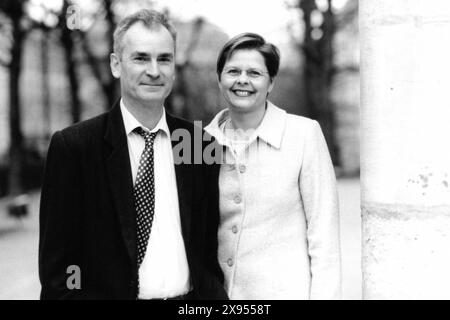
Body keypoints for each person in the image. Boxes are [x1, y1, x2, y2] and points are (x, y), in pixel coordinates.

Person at [39, 9, 227, 300]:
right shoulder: (75, 147)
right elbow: (59, 272)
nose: (154, 70)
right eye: (140, 58)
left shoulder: (197, 143)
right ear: (116, 64)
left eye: (164, 58)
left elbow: (207, 247)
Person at [205, 33, 342, 299]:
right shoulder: (198, 142)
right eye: (233, 71)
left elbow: (324, 234)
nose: (242, 80)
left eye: (255, 73)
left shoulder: (303, 134)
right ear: (219, 78)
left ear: (271, 83)